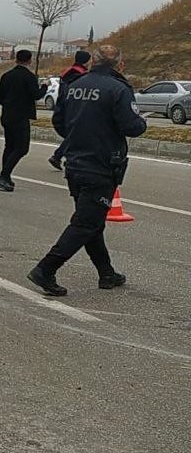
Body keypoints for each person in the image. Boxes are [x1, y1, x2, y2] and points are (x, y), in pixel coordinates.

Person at [27, 45, 147, 296]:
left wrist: (77, 136)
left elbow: (58, 121)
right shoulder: (119, 89)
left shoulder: (75, 84)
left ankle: (106, 272)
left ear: (93, 62)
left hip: (75, 162)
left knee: (92, 221)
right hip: (101, 164)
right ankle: (46, 268)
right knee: (85, 223)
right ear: (120, 64)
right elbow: (132, 126)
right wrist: (141, 121)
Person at [0, 49, 48, 191]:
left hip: (7, 115)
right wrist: (44, 86)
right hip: (21, 117)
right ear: (29, 61)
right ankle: (4, 176)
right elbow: (36, 95)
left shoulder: (7, 75)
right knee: (22, 148)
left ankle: (6, 176)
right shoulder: (29, 77)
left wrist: (7, 105)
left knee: (9, 146)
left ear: (16, 59)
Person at [48, 50, 92, 170]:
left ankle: (60, 157)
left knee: (73, 135)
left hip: (64, 106)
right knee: (75, 135)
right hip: (72, 108)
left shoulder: (68, 71)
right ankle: (61, 157)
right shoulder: (80, 74)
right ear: (86, 61)